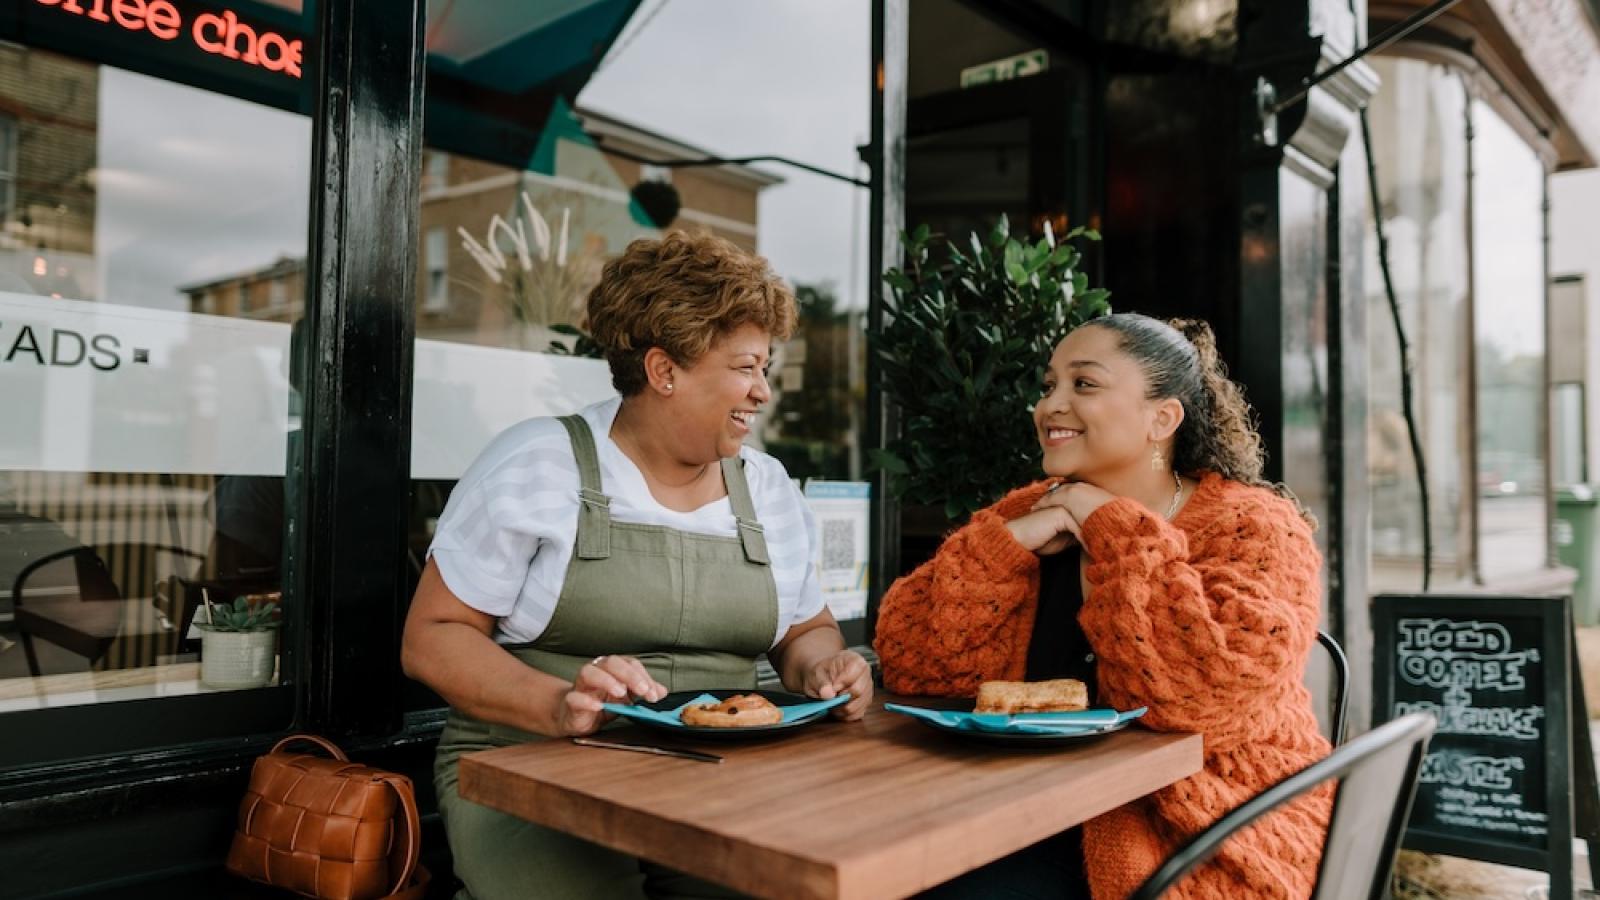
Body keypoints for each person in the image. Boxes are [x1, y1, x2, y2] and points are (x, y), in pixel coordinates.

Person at [402, 230, 872, 900]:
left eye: (765, 367)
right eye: (745, 367)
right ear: (664, 370)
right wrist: (560, 704)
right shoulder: (540, 463)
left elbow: (804, 631)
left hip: (719, 777)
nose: (763, 392)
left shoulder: (767, 487)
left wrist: (824, 665)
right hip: (533, 767)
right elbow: (432, 638)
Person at [874, 313, 1332, 899]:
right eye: (1048, 386)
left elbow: (1193, 696)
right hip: (1010, 807)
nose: (1049, 406)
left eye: (1082, 385)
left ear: (1162, 418)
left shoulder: (1256, 528)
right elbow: (911, 664)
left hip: (1195, 829)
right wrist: (1004, 548)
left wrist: (1109, 523)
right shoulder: (1028, 512)